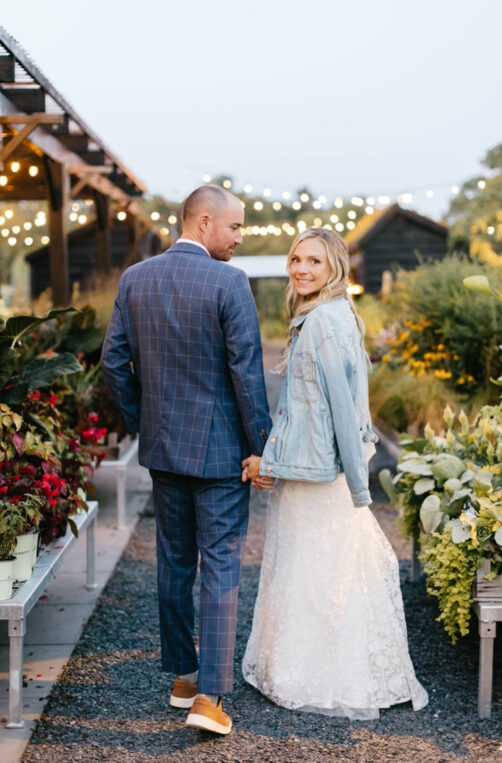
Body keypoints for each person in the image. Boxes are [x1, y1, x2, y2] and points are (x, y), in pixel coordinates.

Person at [101, 185, 273, 735]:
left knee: (174, 562)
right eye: (237, 227)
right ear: (203, 223)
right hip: (221, 453)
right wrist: (260, 446)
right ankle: (210, 699)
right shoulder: (230, 283)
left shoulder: (135, 279)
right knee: (220, 565)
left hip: (162, 448)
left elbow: (112, 363)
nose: (241, 238)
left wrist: (141, 419)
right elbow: (246, 372)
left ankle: (183, 677)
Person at [240, 227, 428, 719]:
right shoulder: (329, 314)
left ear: (335, 269)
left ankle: (318, 676)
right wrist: (276, 459)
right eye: (296, 259)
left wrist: (356, 488)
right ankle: (319, 669)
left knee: (319, 573)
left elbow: (341, 410)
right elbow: (305, 411)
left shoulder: (324, 321)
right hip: (313, 469)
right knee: (320, 570)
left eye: (314, 262)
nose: (301, 269)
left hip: (322, 476)